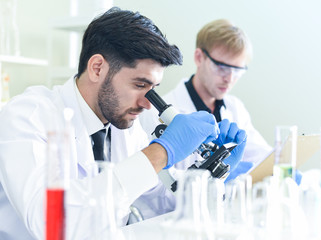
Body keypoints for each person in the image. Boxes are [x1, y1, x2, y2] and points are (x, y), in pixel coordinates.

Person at [0, 9, 247, 239]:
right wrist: (161, 152)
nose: (148, 103)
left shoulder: (122, 126)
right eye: (140, 85)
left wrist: (210, 176)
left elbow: (158, 202)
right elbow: (51, 223)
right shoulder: (28, 116)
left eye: (153, 90)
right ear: (97, 68)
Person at [140, 19, 272, 181]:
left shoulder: (235, 108)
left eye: (237, 70)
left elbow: (265, 158)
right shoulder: (153, 114)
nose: (229, 78)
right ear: (199, 57)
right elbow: (154, 192)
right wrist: (212, 178)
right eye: (222, 67)